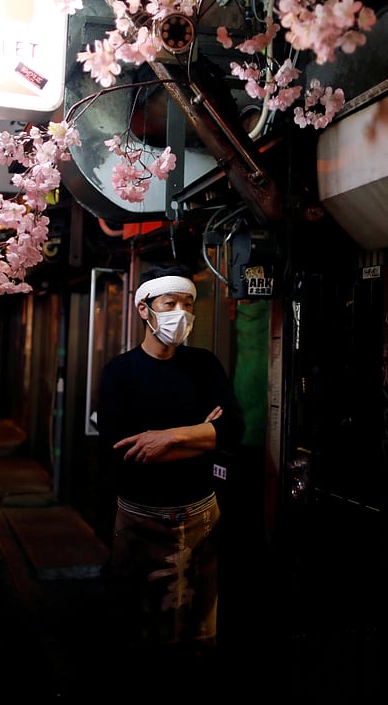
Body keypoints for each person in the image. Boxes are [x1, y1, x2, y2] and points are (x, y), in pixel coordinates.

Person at [96, 264, 244, 672]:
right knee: (138, 636)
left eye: (188, 303)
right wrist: (202, 433)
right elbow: (124, 451)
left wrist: (167, 438)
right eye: (171, 303)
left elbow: (232, 430)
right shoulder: (119, 372)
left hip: (201, 517)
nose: (181, 312)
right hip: (139, 520)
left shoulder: (204, 364)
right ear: (145, 309)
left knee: (200, 638)